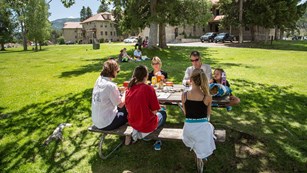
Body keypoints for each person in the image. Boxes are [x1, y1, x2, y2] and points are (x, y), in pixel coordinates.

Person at [125, 65, 167, 150]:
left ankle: (145, 135)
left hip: (134, 122)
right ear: (146, 76)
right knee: (163, 113)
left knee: (159, 111)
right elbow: (155, 111)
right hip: (146, 125)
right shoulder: (148, 89)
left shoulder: (129, 89)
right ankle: (155, 138)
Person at [181, 68, 216, 169]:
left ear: (190, 80)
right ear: (203, 81)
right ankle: (201, 153)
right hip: (202, 132)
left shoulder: (184, 95)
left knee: (202, 130)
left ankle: (199, 151)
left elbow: (186, 113)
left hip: (188, 132)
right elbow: (208, 114)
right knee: (209, 128)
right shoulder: (207, 97)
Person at [91, 59, 128, 131]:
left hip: (97, 121)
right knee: (127, 108)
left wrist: (118, 89)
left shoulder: (99, 79)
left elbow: (105, 91)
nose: (117, 73)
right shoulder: (110, 86)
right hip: (107, 123)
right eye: (117, 71)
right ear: (113, 71)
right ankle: (129, 136)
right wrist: (126, 92)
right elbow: (120, 104)